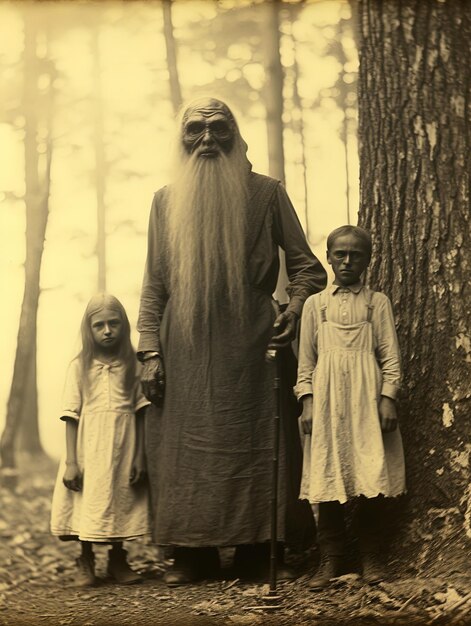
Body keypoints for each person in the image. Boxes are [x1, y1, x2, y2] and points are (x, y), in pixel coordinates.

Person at [137, 97, 327, 586]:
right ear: (181, 139)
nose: (207, 139)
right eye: (195, 130)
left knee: (255, 439)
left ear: (235, 135)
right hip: (183, 344)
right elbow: (155, 284)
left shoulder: (266, 193)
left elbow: (308, 266)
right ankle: (190, 553)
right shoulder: (164, 200)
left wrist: (294, 304)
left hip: (252, 341)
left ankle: (258, 546)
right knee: (183, 443)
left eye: (218, 128)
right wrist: (149, 351)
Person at [295, 225, 406, 590]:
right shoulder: (316, 305)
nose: (346, 261)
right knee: (327, 477)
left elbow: (390, 356)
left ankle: (372, 555)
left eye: (355, 255)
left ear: (367, 260)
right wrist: (307, 401)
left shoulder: (377, 302)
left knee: (370, 474)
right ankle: (331, 557)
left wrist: (388, 397)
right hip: (327, 403)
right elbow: (306, 363)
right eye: (339, 254)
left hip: (365, 402)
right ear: (327, 257)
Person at [50, 293, 151, 587]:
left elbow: (142, 412)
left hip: (124, 444)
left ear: (123, 325)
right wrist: (71, 461)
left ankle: (118, 559)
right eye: (99, 325)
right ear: (89, 329)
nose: (107, 330)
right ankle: (86, 559)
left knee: (120, 497)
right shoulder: (79, 365)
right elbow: (70, 415)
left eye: (113, 323)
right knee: (88, 501)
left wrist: (140, 455)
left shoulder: (133, 364)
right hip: (88, 447)